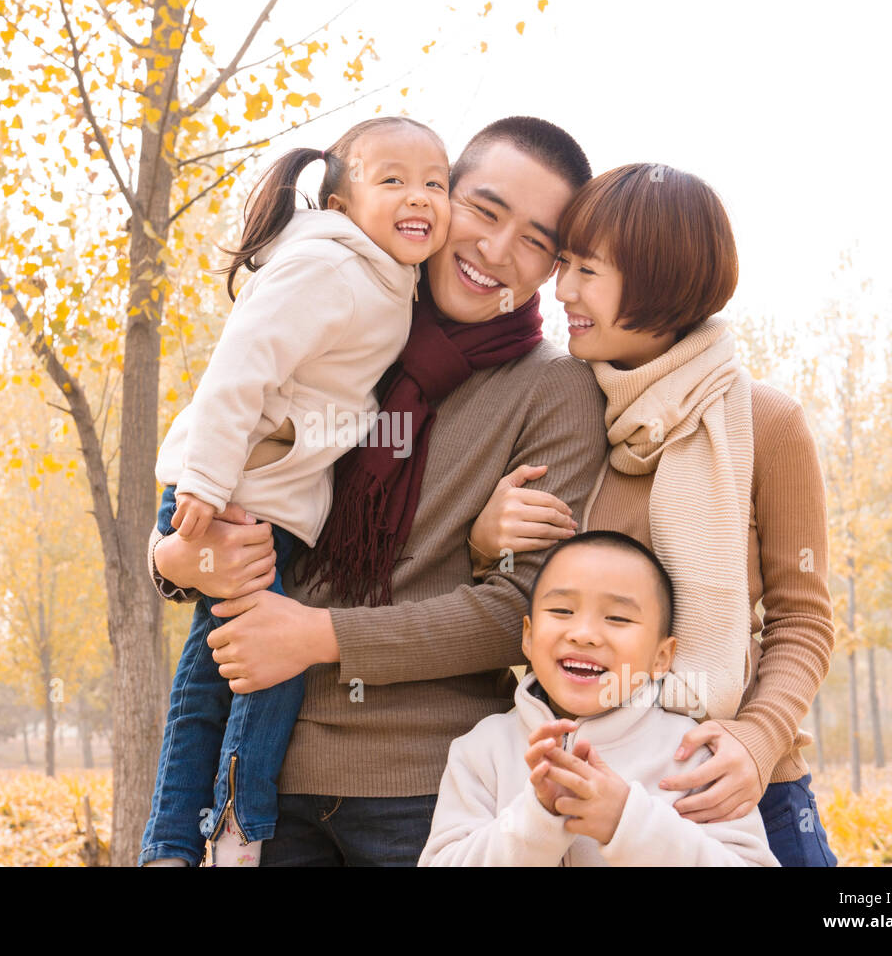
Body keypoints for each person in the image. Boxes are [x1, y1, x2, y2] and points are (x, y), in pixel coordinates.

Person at [148, 116, 607, 866]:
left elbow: (519, 614)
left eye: (534, 241)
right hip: (271, 776)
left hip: (427, 789)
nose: (495, 250)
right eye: (484, 212)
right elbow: (223, 464)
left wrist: (320, 635)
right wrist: (169, 560)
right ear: (444, 200)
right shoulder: (342, 315)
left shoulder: (553, 390)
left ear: (552, 268)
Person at [466, 163, 839, 866]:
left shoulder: (766, 423)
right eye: (565, 263)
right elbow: (533, 601)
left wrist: (756, 740)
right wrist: (486, 541)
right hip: (586, 781)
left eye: (589, 270)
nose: (563, 287)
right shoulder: (565, 410)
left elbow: (804, 617)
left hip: (731, 784)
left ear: (662, 284)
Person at [140, 116, 453, 867]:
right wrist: (205, 490)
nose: (420, 197)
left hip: (263, 498)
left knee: (227, 670)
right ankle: (226, 830)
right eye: (394, 181)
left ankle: (178, 842)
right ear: (342, 208)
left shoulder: (389, 278)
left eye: (436, 184)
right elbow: (240, 362)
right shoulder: (328, 266)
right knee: (249, 674)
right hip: (226, 494)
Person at [418, 531, 779, 866]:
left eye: (618, 617)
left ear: (661, 657)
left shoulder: (692, 756)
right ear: (528, 636)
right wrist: (537, 818)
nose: (584, 634)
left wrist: (627, 822)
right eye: (561, 611)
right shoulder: (482, 750)